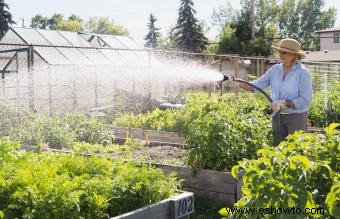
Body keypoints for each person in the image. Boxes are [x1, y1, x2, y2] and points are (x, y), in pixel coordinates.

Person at [239, 38, 313, 145]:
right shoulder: (275, 70)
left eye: (285, 52)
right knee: (278, 150)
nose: (281, 55)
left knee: (296, 151)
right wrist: (239, 83)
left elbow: (306, 100)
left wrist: (285, 103)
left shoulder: (303, 73)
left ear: (294, 55)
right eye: (280, 52)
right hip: (277, 117)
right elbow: (258, 85)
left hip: (296, 118)